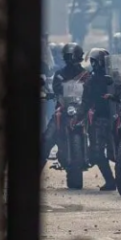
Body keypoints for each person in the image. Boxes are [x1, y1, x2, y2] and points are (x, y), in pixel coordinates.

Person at [41, 43, 89, 172]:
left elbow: (91, 90)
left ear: (79, 57)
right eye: (68, 57)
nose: (70, 59)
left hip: (81, 109)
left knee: (99, 133)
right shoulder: (60, 73)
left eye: (72, 56)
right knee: (47, 138)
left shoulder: (86, 75)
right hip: (62, 109)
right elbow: (56, 88)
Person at [84, 48, 117, 190]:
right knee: (97, 152)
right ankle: (111, 181)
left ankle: (119, 181)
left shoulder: (115, 77)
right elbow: (86, 100)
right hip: (100, 119)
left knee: (116, 153)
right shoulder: (91, 79)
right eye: (92, 61)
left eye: (94, 61)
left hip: (116, 118)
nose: (93, 64)